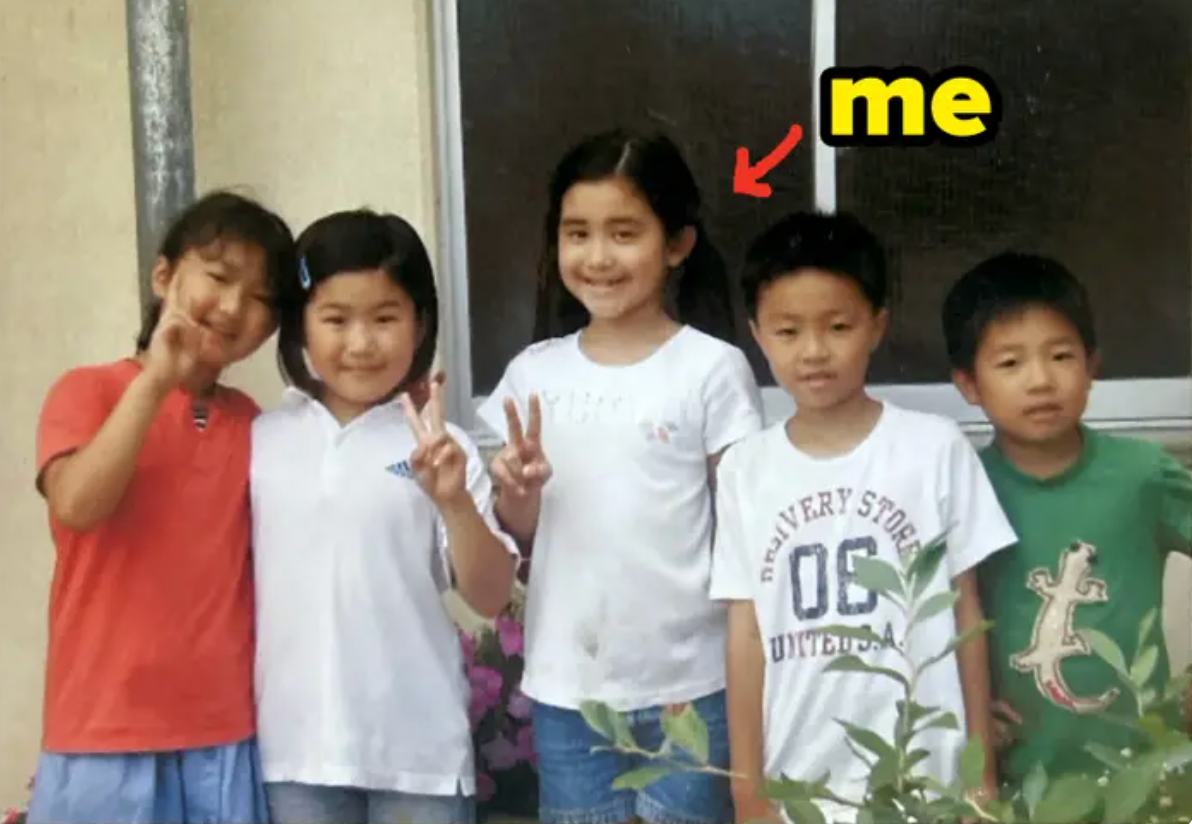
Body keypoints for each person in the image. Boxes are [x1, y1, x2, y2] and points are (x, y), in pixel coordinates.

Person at [478, 129, 764, 824]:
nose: (598, 256)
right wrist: (518, 497)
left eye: (624, 232)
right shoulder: (533, 373)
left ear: (677, 244)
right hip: (570, 692)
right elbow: (519, 535)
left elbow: (745, 534)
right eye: (577, 233)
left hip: (691, 687)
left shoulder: (711, 369)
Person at [709, 211, 1014, 823]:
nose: (815, 351)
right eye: (788, 331)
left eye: (838, 326)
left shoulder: (934, 448)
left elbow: (966, 612)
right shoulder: (745, 469)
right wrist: (750, 790)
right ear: (757, 335)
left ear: (877, 326)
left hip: (926, 780)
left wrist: (979, 773)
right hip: (801, 784)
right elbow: (746, 634)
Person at [29, 191, 297, 824]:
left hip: (225, 734)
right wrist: (156, 380)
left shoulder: (252, 424)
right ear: (164, 275)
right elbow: (77, 505)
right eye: (220, 277)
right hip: (102, 732)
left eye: (261, 298)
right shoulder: (87, 391)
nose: (234, 307)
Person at [250, 208, 519, 824]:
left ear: (420, 324)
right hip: (292, 759)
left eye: (385, 318)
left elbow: (492, 595)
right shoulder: (261, 441)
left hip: (418, 760)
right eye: (336, 319)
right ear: (300, 327)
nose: (361, 343)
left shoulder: (438, 444)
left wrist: (453, 501)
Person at [942, 252, 1192, 788]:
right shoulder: (962, 490)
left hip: (1144, 778)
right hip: (1016, 784)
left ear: (1092, 365)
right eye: (1010, 363)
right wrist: (969, 715)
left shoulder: (1140, 475)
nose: (1040, 381)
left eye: (1060, 356)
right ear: (967, 383)